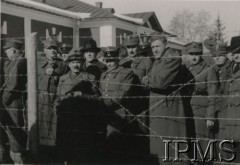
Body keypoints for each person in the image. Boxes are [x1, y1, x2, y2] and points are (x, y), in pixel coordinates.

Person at [142, 34, 190, 165]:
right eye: (153, 47)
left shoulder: (172, 58)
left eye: (158, 46)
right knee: (160, 147)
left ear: (165, 45)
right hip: (158, 109)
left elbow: (160, 83)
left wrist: (146, 81)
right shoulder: (158, 60)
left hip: (169, 109)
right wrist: (149, 81)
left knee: (171, 147)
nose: (155, 50)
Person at [54, 49, 104, 163]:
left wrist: (82, 95)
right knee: (65, 149)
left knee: (81, 152)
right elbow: (57, 97)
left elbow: (96, 97)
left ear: (82, 63)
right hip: (65, 119)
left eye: (78, 62)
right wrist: (58, 106)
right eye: (72, 62)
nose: (75, 65)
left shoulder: (89, 77)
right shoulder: (63, 78)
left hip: (83, 121)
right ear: (68, 64)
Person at [99, 46, 136, 162]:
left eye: (112, 60)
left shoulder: (126, 73)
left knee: (117, 149)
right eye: (107, 61)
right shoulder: (103, 74)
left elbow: (122, 94)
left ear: (118, 59)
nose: (110, 63)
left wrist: (101, 101)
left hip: (119, 115)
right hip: (105, 116)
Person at [185, 42, 218, 164]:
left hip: (202, 111)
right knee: (189, 142)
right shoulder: (185, 68)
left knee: (203, 142)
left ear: (201, 54)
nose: (194, 57)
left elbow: (213, 94)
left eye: (197, 54)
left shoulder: (209, 69)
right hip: (187, 109)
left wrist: (210, 116)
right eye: (191, 54)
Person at [37, 36, 69, 160]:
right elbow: (30, 82)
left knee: (54, 130)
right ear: (44, 50)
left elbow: (65, 83)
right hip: (40, 100)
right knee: (40, 130)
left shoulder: (62, 65)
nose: (53, 51)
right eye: (49, 48)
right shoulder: (38, 64)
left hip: (55, 100)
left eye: (54, 48)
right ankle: (40, 155)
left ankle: (52, 156)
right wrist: (45, 75)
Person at [1, 39, 27, 164]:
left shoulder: (19, 62)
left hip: (13, 101)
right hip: (9, 100)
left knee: (14, 129)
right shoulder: (11, 61)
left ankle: (18, 158)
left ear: (14, 50)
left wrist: (3, 101)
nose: (6, 52)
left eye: (7, 50)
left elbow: (12, 84)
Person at [208, 42, 233, 140]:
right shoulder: (212, 69)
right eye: (214, 56)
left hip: (228, 110)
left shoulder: (231, 68)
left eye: (220, 55)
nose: (217, 58)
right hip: (216, 110)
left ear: (226, 55)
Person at [224, 36, 240, 163]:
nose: (237, 55)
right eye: (234, 52)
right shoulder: (231, 67)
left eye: (239, 52)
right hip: (230, 119)